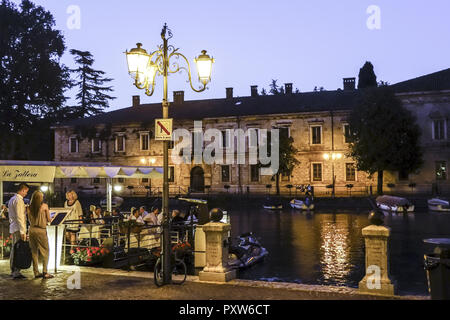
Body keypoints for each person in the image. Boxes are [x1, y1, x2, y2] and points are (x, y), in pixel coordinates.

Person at [28, 191, 53, 279]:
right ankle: (45, 272)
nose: (43, 198)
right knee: (45, 251)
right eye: (42, 196)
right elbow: (49, 220)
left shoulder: (29, 207)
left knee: (34, 251)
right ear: (40, 198)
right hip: (41, 230)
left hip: (31, 230)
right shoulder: (44, 206)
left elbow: (29, 220)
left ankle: (36, 272)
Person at [8, 183, 29, 279]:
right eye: (26, 191)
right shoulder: (19, 201)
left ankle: (13, 269)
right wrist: (23, 231)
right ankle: (16, 271)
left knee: (14, 248)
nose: (26, 193)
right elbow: (20, 217)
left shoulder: (12, 199)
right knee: (18, 249)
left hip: (13, 226)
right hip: (18, 228)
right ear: (23, 190)